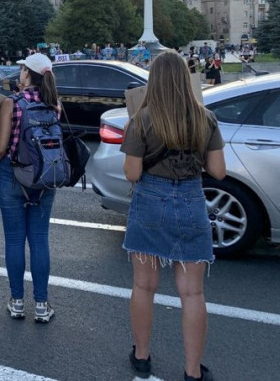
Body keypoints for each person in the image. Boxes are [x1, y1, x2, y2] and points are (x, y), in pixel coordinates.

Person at [120, 50, 226, 381]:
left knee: (143, 285)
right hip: (192, 199)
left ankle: (141, 355)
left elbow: (132, 174)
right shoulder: (205, 118)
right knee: (192, 292)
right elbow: (219, 172)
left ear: (155, 80)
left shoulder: (141, 119)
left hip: (150, 200)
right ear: (185, 79)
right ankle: (192, 371)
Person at [0, 53, 60, 324]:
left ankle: (17, 303)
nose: (20, 73)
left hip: (12, 175)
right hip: (44, 176)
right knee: (39, 239)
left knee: (14, 240)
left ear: (28, 74)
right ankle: (41, 305)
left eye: (22, 69)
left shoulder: (11, 103)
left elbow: (1, 146)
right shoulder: (55, 104)